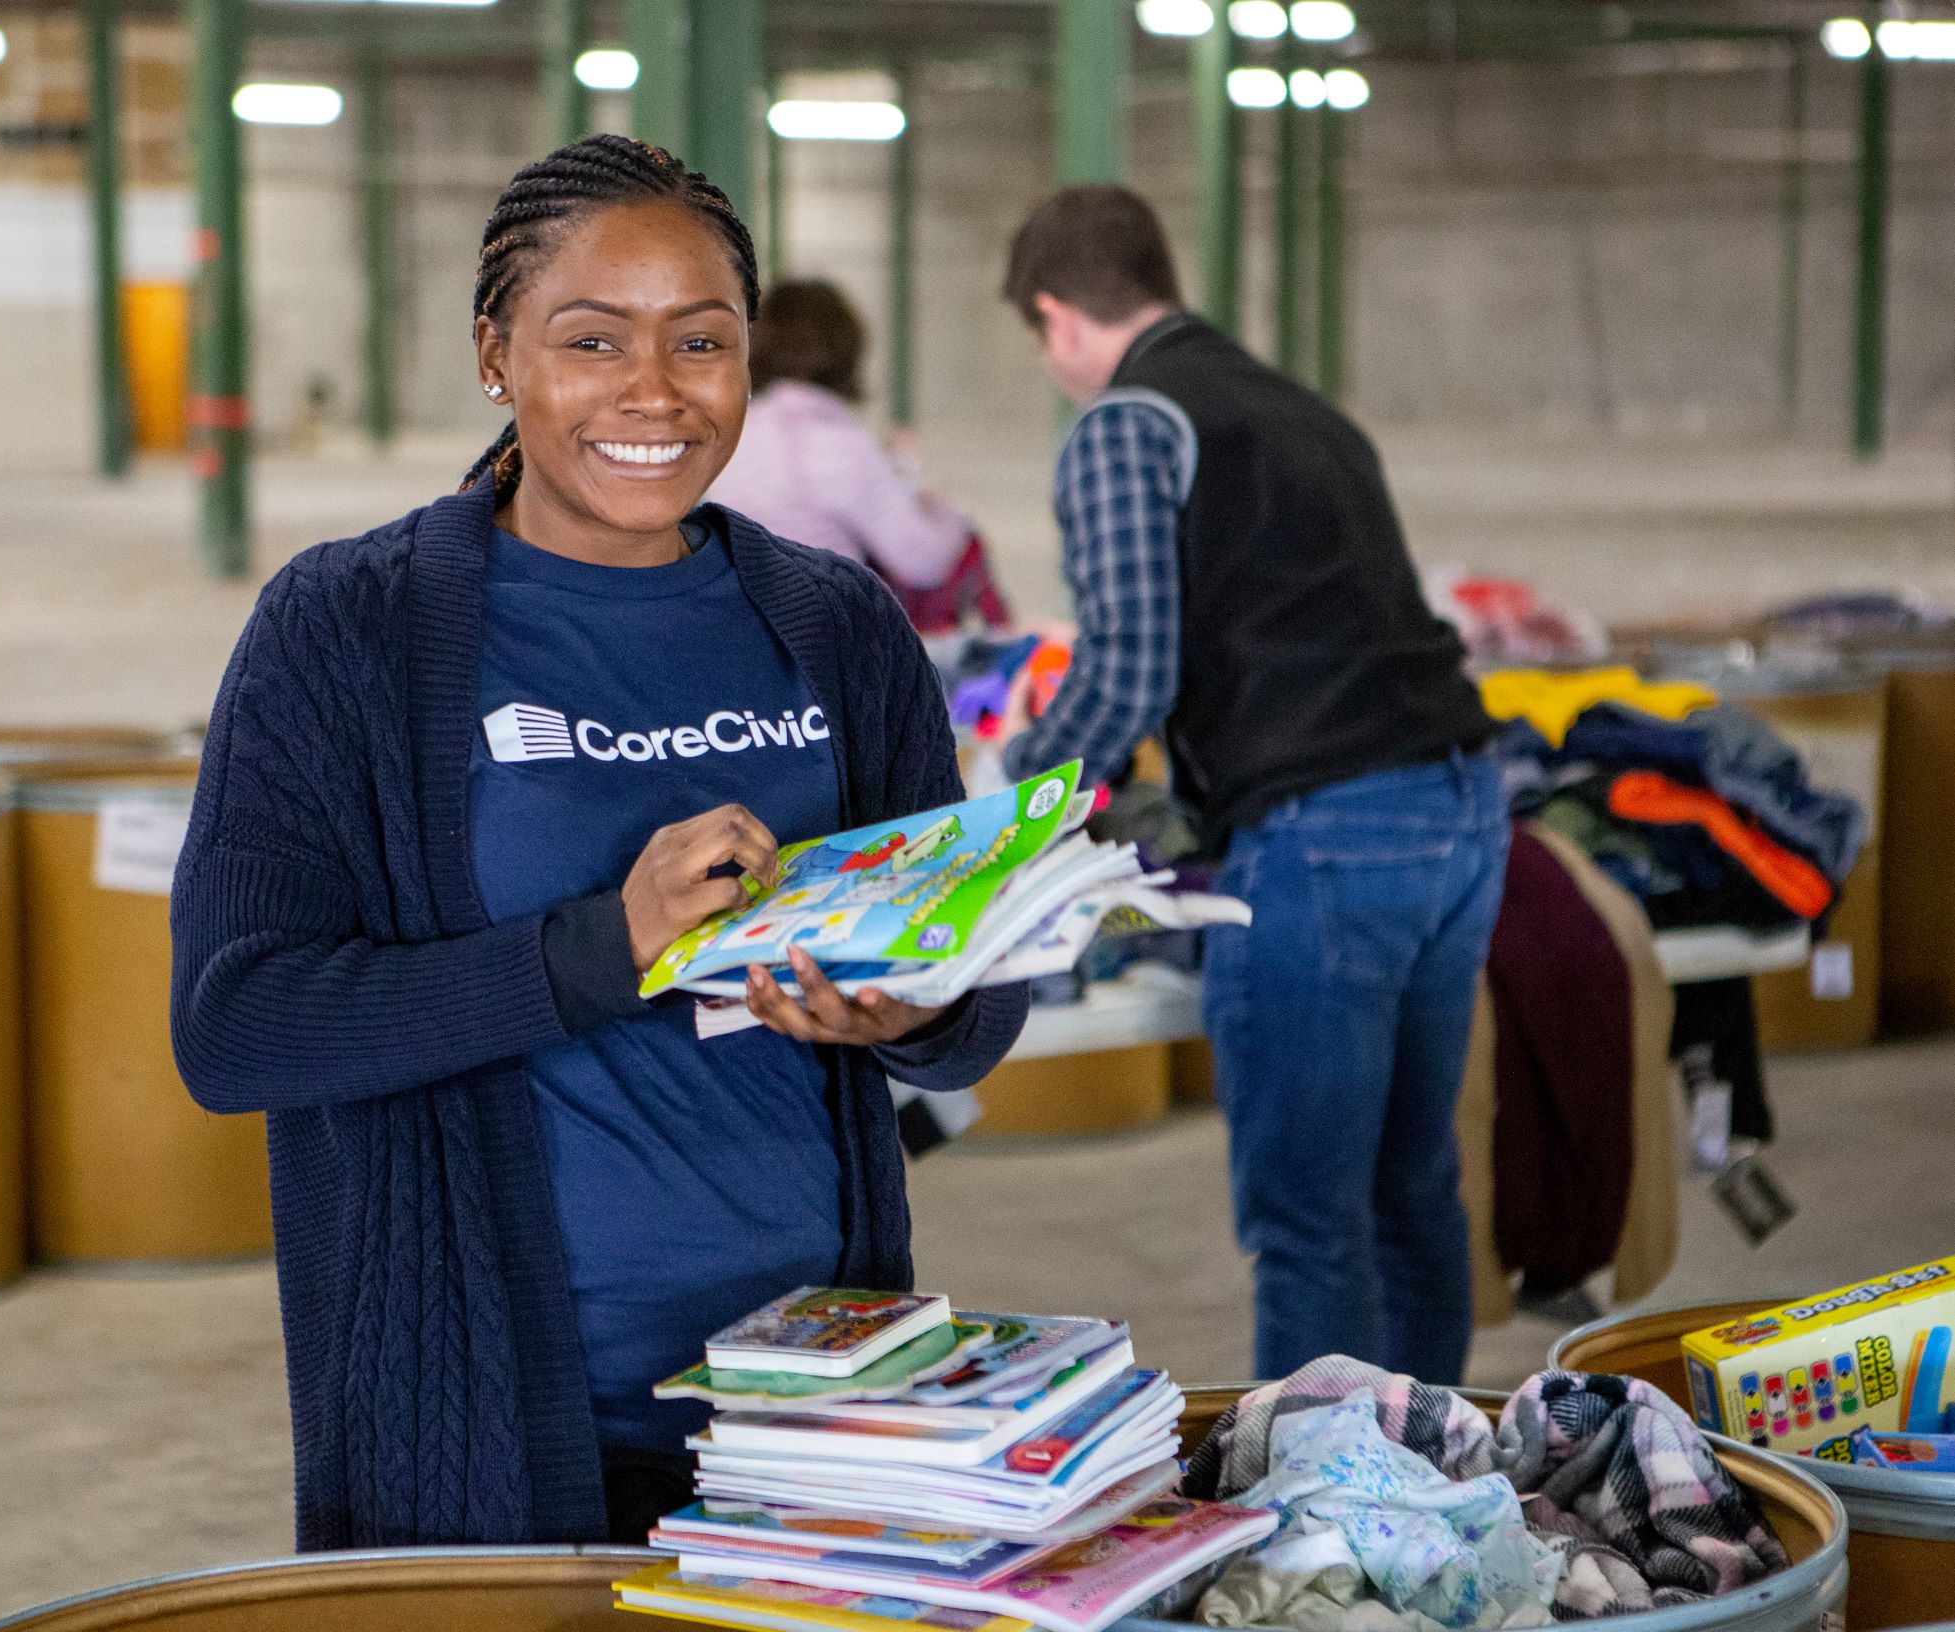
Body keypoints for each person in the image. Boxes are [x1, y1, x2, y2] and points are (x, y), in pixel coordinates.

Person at [168, 135, 1028, 1553]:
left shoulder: (835, 624)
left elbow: (970, 990)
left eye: (703, 341)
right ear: (496, 356)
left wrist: (924, 1005)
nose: (654, 392)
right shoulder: (346, 631)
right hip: (489, 1412)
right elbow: (235, 1029)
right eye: (591, 339)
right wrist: (601, 946)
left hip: (819, 1412)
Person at [994, 185, 1507, 1386]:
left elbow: (1122, 673)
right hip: (1462, 807)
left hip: (1328, 835)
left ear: (1059, 317)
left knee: (1308, 1221)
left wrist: (1002, 796)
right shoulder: (1299, 410)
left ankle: (1325, 1518)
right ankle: (1433, 1471)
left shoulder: (1126, 424)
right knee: (1409, 1186)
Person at [708, 279, 1007, 632]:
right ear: (847, 351)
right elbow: (923, 561)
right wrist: (938, 503)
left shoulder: (729, 436)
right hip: (820, 643)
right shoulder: (838, 444)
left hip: (733, 632)